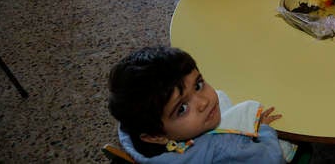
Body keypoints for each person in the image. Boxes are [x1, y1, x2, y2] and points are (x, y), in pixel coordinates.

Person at [108, 46, 287, 163]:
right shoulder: (225, 147)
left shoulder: (133, 128)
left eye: (198, 85)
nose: (204, 102)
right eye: (182, 109)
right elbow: (272, 158)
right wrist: (264, 130)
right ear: (155, 136)